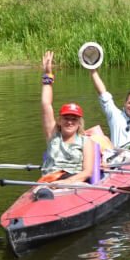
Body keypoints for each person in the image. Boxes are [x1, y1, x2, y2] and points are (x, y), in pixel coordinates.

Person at [38, 51, 98, 183]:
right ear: (60, 120)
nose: (70, 122)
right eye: (66, 118)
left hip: (72, 181)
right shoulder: (53, 134)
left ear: (79, 123)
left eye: (74, 119)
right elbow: (45, 104)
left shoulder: (85, 142)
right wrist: (48, 75)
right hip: (49, 180)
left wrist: (66, 182)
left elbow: (87, 172)